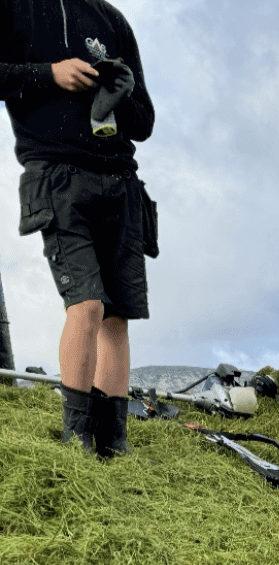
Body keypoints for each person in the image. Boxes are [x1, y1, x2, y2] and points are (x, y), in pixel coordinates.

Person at [0, 0, 155, 458]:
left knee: (117, 317)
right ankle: (77, 442)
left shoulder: (113, 21)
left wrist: (122, 93)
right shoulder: (18, 10)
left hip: (121, 182)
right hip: (57, 178)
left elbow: (144, 123)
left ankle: (114, 444)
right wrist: (51, 74)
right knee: (86, 304)